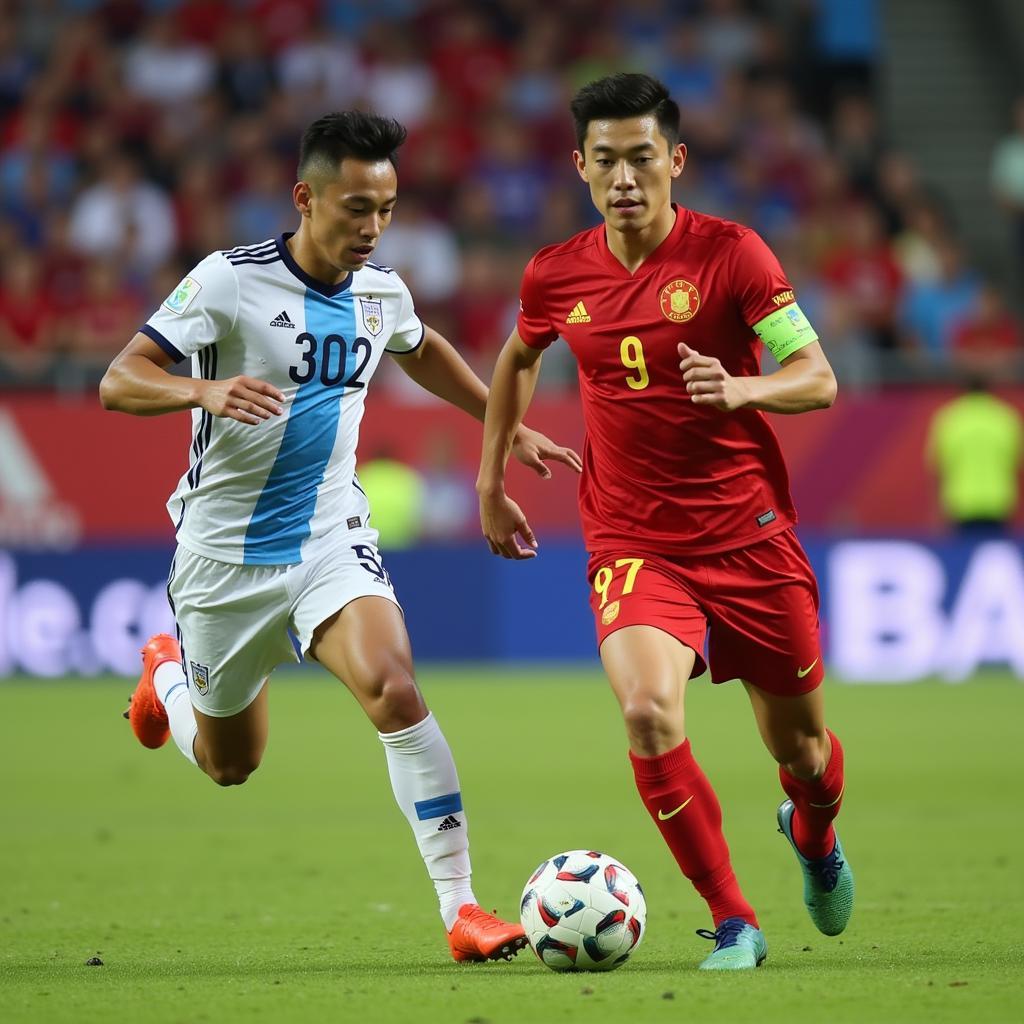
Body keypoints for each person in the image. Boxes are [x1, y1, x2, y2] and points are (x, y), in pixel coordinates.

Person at [99, 111, 581, 962]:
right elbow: (119, 380)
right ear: (305, 197)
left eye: (386, 210)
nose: (371, 228)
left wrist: (501, 427)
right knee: (228, 764)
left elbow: (421, 347)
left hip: (329, 533)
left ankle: (463, 911)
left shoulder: (379, 290)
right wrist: (199, 394)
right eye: (356, 208)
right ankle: (167, 677)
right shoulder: (228, 282)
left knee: (395, 688)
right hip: (223, 558)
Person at [477, 73, 852, 971]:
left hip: (749, 535)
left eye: (642, 157)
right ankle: (734, 920)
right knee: (647, 710)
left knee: (802, 751)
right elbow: (519, 355)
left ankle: (814, 832)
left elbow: (820, 376)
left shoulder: (735, 255)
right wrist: (493, 473)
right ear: (579, 166)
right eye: (604, 160)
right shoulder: (555, 271)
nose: (624, 178)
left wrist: (745, 387)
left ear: (675, 160)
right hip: (633, 538)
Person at [926, 372, 1024, 535]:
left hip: (961, 502)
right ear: (989, 390)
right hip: (998, 500)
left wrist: (935, 511)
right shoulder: (1005, 417)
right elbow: (1017, 462)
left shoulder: (950, 418)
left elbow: (938, 465)